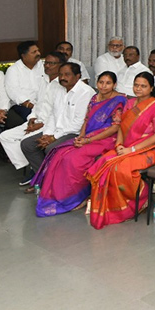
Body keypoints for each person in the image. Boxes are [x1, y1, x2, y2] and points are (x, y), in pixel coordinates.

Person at [31, 71, 126, 217]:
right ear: (97, 83)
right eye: (101, 82)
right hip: (89, 135)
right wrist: (81, 137)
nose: (104, 86)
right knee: (59, 153)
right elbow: (87, 120)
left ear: (115, 85)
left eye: (108, 83)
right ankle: (60, 195)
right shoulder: (95, 97)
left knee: (73, 159)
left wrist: (88, 140)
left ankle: (78, 198)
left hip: (108, 138)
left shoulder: (119, 100)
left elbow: (115, 127)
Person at [85, 72, 155, 229]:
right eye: (136, 85)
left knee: (121, 169)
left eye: (143, 86)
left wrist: (131, 149)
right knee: (104, 162)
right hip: (127, 146)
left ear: (151, 88)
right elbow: (122, 128)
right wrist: (119, 145)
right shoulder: (130, 103)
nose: (138, 89)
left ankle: (140, 199)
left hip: (154, 148)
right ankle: (113, 204)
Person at [19, 62, 94, 187]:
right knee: (27, 144)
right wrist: (47, 134)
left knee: (50, 148)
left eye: (67, 74)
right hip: (57, 131)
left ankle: (54, 183)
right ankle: (45, 179)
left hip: (74, 133)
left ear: (78, 76)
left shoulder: (86, 93)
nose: (63, 77)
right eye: (60, 74)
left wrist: (53, 138)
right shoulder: (60, 89)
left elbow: (78, 123)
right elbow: (53, 115)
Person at [0, 52, 65, 182]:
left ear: (61, 65)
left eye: (51, 63)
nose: (47, 66)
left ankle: (35, 171)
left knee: (26, 141)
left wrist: (41, 125)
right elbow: (37, 103)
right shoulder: (43, 81)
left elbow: (59, 113)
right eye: (45, 62)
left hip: (50, 125)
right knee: (5, 137)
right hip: (37, 120)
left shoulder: (62, 85)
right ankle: (32, 166)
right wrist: (31, 118)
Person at [5, 40, 46, 120]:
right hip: (23, 105)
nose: (38, 54)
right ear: (23, 56)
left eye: (38, 50)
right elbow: (13, 91)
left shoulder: (43, 66)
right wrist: (30, 105)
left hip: (43, 103)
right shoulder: (13, 70)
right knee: (35, 118)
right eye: (34, 52)